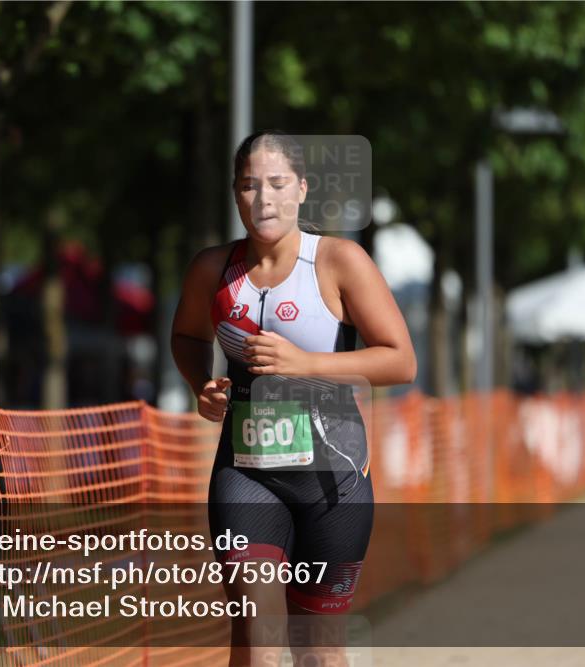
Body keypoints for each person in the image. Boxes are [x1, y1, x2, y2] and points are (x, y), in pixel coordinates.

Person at [170, 130, 416, 666]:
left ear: (301, 190)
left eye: (277, 184)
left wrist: (307, 365)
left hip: (335, 479)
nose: (264, 199)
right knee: (257, 643)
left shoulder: (337, 261)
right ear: (235, 194)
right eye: (249, 186)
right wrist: (201, 386)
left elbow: (400, 359)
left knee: (319, 650)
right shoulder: (213, 270)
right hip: (246, 474)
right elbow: (188, 337)